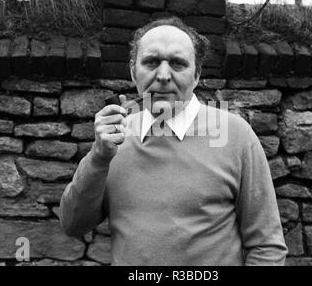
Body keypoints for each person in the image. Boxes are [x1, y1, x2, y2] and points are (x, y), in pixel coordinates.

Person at [59, 16, 288, 266]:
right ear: (133, 73)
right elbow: (72, 224)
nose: (163, 75)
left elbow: (266, 246)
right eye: (151, 62)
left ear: (197, 75)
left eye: (178, 63)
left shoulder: (235, 134)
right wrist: (98, 157)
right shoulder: (114, 139)